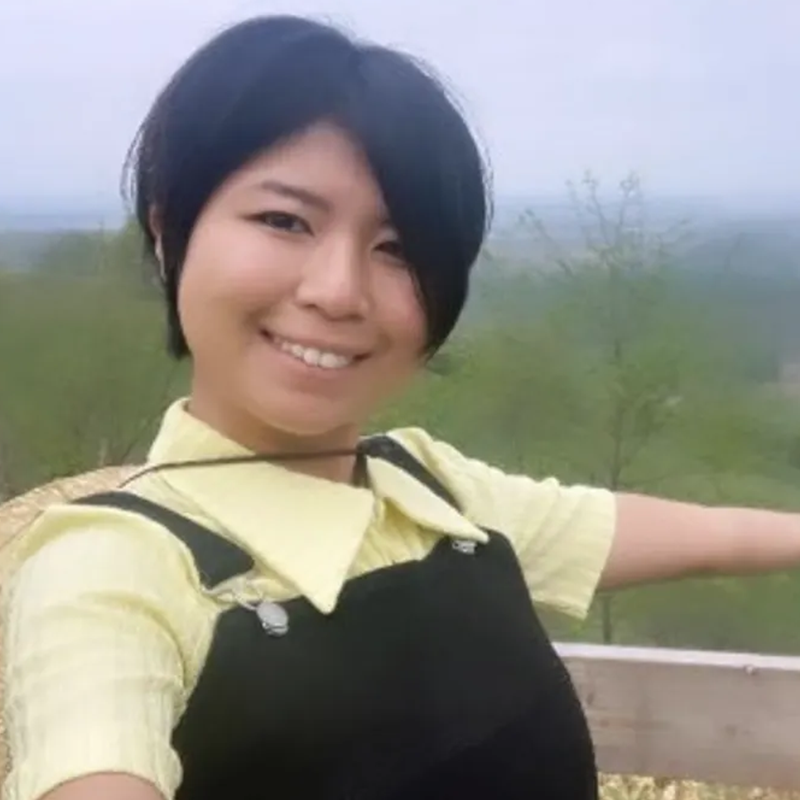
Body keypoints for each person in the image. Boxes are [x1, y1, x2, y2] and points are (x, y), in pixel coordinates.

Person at [1, 14, 799, 800]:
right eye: (284, 220)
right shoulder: (111, 569)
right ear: (168, 231)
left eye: (399, 249)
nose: (338, 291)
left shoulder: (429, 492)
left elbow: (700, 535)